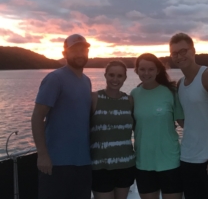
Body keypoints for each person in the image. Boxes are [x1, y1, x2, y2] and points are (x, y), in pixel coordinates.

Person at [169, 33, 208, 199]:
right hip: (188, 158)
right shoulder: (180, 84)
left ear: (193, 51)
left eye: (183, 51)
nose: (179, 56)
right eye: (175, 53)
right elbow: (188, 121)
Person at [31, 34, 92, 199]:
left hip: (83, 162)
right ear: (65, 53)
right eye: (74, 50)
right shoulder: (55, 79)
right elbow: (37, 117)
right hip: (57, 163)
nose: (80, 54)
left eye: (83, 50)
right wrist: (42, 155)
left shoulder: (86, 81)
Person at [131, 53, 184, 199]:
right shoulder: (134, 94)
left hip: (170, 161)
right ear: (136, 70)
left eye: (150, 69)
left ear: (157, 71)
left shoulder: (171, 92)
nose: (146, 73)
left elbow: (184, 123)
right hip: (143, 162)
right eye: (142, 69)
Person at [90, 60, 135, 199]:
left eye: (120, 76)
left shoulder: (129, 101)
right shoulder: (94, 98)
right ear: (105, 76)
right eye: (111, 75)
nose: (115, 79)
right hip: (100, 165)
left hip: (125, 164)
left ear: (125, 78)